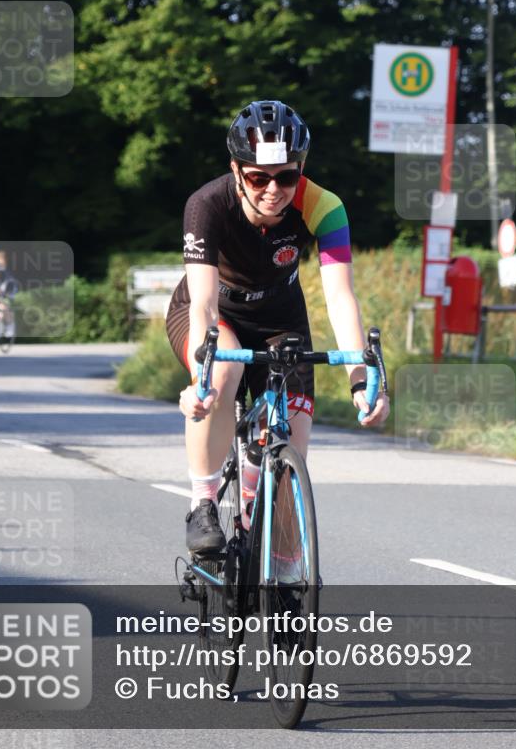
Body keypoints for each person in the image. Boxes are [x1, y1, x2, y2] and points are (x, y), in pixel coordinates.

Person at [165, 100, 389, 558]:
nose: (273, 190)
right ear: (236, 171)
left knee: (292, 461)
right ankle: (204, 502)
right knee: (222, 374)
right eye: (257, 177)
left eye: (287, 176)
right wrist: (200, 378)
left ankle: (284, 581)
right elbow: (204, 302)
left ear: (300, 170)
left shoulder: (324, 206)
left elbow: (340, 297)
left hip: (280, 320)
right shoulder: (207, 205)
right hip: (211, 313)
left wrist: (361, 382)